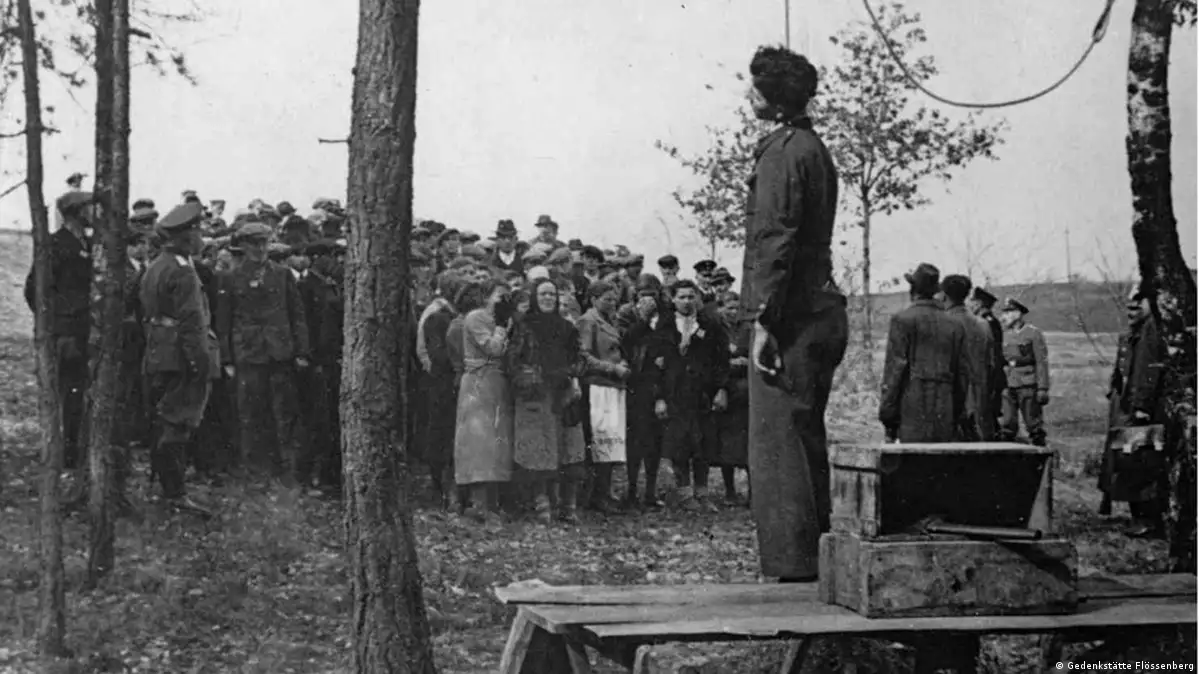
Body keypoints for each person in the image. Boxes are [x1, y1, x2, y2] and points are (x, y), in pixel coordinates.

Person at [741, 45, 848, 582]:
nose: (748, 94)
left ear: (775, 100)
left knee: (779, 444)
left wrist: (764, 321)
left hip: (793, 319)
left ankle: (795, 570)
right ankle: (813, 562)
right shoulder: (813, 147)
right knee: (803, 440)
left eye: (755, 86)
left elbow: (775, 239)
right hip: (818, 310)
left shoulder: (783, 152)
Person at [139, 202, 220, 514]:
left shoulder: (158, 265)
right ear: (187, 235)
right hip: (182, 357)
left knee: (162, 420)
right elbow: (192, 323)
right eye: (198, 231)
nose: (201, 237)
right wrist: (200, 364)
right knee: (178, 424)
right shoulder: (183, 271)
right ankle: (175, 493)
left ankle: (164, 485)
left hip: (159, 351)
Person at [215, 220, 311, 483]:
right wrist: (227, 358)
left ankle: (286, 468)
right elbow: (224, 321)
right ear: (244, 247)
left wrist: (302, 350)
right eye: (254, 244)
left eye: (263, 243)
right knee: (251, 412)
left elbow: (297, 314)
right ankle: (255, 468)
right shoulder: (231, 277)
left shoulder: (282, 274)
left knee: (284, 411)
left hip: (280, 351)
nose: (259, 249)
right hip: (248, 353)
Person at [506, 279, 588, 523]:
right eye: (543, 294)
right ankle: (541, 500)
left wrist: (571, 374)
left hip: (563, 392)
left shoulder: (567, 327)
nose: (548, 298)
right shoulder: (523, 327)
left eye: (552, 294)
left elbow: (580, 358)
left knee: (569, 449)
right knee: (539, 451)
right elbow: (512, 361)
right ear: (535, 297)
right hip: (537, 394)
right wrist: (531, 377)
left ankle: (567, 504)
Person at [25, 190, 95, 469]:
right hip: (66, 335)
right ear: (77, 212)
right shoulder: (56, 244)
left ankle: (75, 450)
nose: (95, 213)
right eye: (90, 208)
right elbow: (35, 289)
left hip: (83, 331)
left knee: (80, 394)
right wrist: (58, 324)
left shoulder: (88, 243)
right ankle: (64, 454)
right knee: (68, 394)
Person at [652, 280, 730, 512]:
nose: (687, 302)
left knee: (703, 442)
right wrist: (659, 397)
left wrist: (721, 389)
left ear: (697, 298)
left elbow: (722, 360)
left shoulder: (711, 325)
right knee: (681, 443)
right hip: (675, 394)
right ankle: (685, 493)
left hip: (702, 393)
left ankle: (702, 492)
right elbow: (655, 366)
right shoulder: (664, 327)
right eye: (682, 297)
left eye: (690, 296)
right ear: (673, 299)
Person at [1098, 285, 1168, 536]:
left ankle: (1147, 520)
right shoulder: (1135, 331)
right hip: (1126, 406)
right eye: (1130, 303)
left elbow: (1148, 371)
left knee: (1140, 460)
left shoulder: (1151, 330)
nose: (1133, 307)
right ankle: (1138, 515)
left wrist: (1141, 406)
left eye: (1139, 301)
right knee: (1127, 458)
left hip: (1139, 410)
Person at [879, 264, 969, 443]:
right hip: (945, 411)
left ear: (913, 289)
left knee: (912, 459)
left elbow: (895, 371)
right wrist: (957, 413)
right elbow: (962, 376)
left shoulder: (902, 320)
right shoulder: (955, 325)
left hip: (910, 411)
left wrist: (887, 414)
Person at [454, 279, 517, 524]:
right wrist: (501, 328)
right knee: (479, 443)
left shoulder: (505, 320)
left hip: (498, 383)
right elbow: (493, 348)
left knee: (498, 443)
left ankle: (493, 503)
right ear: (486, 297)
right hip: (478, 384)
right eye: (499, 295)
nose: (503, 301)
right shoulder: (475, 318)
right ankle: (478, 502)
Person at [577, 280, 632, 513]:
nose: (611, 304)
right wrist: (612, 368)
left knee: (611, 441)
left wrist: (623, 362)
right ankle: (597, 494)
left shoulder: (611, 321)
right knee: (600, 440)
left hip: (613, 386)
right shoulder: (588, 321)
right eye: (606, 299)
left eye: (614, 300)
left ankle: (605, 492)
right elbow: (584, 356)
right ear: (593, 299)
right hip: (598, 386)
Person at [619, 274, 669, 509]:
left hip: (657, 382)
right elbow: (625, 341)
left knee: (654, 441)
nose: (647, 299)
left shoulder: (666, 314)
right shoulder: (626, 313)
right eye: (642, 295)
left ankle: (650, 490)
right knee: (634, 440)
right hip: (635, 382)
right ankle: (631, 489)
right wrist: (643, 318)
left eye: (652, 295)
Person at [940, 274, 995, 440]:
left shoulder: (941, 323)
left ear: (944, 295)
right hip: (979, 396)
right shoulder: (983, 325)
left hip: (950, 399)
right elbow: (991, 364)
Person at [714, 290, 751, 504]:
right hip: (725, 391)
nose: (734, 312)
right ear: (721, 309)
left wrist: (747, 362)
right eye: (729, 308)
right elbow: (710, 359)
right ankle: (729, 491)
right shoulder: (715, 330)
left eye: (738, 308)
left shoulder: (748, 330)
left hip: (746, 393)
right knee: (726, 444)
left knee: (747, 443)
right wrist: (728, 363)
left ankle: (752, 492)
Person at [999, 297, 1050, 446]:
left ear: (1018, 314)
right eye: (1005, 312)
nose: (1005, 316)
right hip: (1008, 382)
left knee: (1033, 423)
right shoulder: (1004, 334)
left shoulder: (1033, 333)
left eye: (1009, 312)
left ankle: (1040, 452)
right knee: (1007, 423)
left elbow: (1041, 361)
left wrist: (1042, 388)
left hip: (1028, 383)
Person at [970, 287, 1005, 438]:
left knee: (987, 410)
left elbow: (993, 352)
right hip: (990, 371)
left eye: (973, 302)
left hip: (990, 372)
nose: (971, 305)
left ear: (979, 304)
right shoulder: (989, 321)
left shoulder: (987, 322)